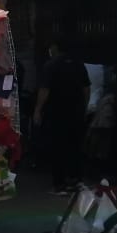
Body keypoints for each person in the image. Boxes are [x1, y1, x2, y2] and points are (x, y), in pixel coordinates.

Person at [33, 39, 90, 195]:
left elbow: (45, 90)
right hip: (76, 112)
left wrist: (38, 110)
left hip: (56, 113)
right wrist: (84, 107)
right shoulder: (79, 64)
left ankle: (60, 185)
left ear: (54, 47)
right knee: (75, 146)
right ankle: (76, 181)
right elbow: (86, 88)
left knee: (58, 148)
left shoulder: (51, 65)